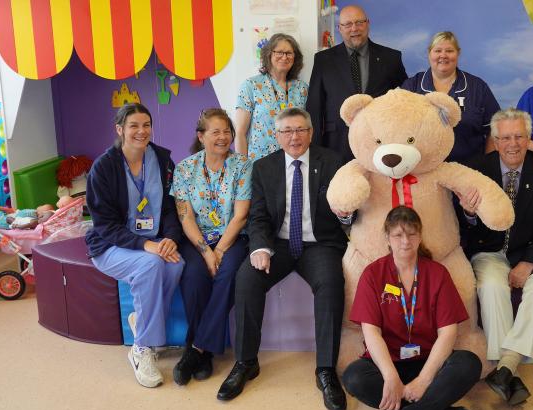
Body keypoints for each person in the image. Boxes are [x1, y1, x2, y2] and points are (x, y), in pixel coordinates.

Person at [217, 107, 349, 410]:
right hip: (277, 243)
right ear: (276, 136)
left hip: (320, 243)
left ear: (311, 132)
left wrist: (347, 214)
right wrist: (259, 248)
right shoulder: (263, 167)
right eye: (287, 131)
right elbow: (258, 217)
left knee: (330, 284)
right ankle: (246, 362)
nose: (294, 137)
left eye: (301, 129)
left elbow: (347, 206)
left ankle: (326, 370)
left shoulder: (331, 161)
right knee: (247, 278)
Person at [342, 206, 481, 410]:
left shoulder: (437, 273)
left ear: (420, 236)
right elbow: (370, 332)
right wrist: (390, 377)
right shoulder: (373, 274)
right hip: (389, 362)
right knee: (353, 377)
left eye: (412, 234)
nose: (405, 242)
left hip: (429, 362)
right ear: (387, 237)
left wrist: (425, 379)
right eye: (398, 235)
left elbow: (448, 332)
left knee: (469, 363)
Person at [457, 108, 533, 405]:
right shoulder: (476, 169)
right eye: (505, 137)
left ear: (529, 138)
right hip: (490, 250)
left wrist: (529, 262)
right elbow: (465, 224)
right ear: (495, 140)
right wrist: (468, 212)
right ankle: (509, 370)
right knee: (491, 287)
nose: (513, 144)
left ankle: (506, 364)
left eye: (519, 136)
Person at [85, 103, 184, 388]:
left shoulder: (163, 160)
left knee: (177, 263)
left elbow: (169, 208)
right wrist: (146, 245)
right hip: (110, 245)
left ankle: (141, 322)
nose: (142, 131)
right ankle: (142, 347)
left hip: (152, 241)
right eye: (134, 126)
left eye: (146, 125)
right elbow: (104, 225)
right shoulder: (103, 168)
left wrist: (170, 239)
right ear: (120, 130)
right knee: (152, 264)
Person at [170, 108, 252, 385]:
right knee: (193, 277)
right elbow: (185, 217)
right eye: (215, 132)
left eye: (226, 131)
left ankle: (195, 348)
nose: (223, 137)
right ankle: (203, 354)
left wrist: (219, 251)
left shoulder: (242, 165)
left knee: (228, 275)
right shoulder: (184, 169)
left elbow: (241, 215)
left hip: (233, 236)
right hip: (196, 238)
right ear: (201, 136)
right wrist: (206, 251)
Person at [306, 5, 407, 162]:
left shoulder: (391, 58)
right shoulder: (323, 60)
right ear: (339, 28)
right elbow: (315, 107)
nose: (354, 28)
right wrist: (315, 149)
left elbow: (403, 100)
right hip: (336, 145)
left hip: (382, 144)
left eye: (359, 22)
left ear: (368, 23)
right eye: (348, 24)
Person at [402, 31, 499, 162]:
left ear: (458, 53)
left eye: (449, 50)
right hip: (422, 171)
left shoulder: (477, 87)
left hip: (470, 172)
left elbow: (495, 130)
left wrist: (488, 164)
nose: (443, 55)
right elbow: (399, 128)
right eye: (438, 51)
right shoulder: (412, 86)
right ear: (429, 53)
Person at [236, 33, 309, 162]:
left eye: (289, 53)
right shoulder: (251, 86)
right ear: (269, 54)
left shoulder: (302, 89)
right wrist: (243, 170)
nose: (284, 57)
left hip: (293, 163)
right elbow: (240, 133)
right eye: (279, 52)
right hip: (259, 165)